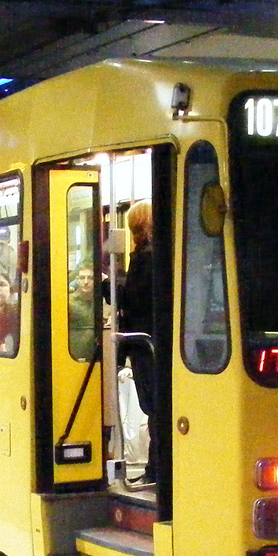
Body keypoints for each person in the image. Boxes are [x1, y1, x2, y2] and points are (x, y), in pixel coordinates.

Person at [120, 201, 158, 485]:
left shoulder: (145, 258)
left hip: (146, 345)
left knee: (153, 407)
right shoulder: (153, 255)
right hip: (149, 342)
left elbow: (136, 299)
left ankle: (156, 468)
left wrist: (116, 290)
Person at [68, 259, 99, 362]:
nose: (85, 282)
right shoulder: (68, 303)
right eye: (82, 278)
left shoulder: (102, 302)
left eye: (90, 278)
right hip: (73, 358)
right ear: (77, 280)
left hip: (96, 358)